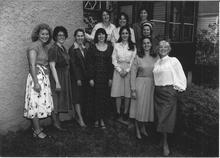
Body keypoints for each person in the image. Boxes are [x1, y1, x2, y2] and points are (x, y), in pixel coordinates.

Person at [153, 40, 187, 156]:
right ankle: (162, 140)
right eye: (160, 46)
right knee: (159, 118)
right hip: (157, 93)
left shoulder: (173, 61)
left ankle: (165, 144)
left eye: (165, 47)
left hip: (168, 93)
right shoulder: (157, 62)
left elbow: (181, 76)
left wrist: (176, 89)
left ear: (169, 49)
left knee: (165, 119)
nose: (162, 48)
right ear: (158, 48)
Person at [24, 23, 54, 139]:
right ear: (38, 34)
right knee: (35, 104)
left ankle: (36, 128)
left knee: (39, 103)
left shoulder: (45, 47)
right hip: (36, 78)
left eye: (47, 34)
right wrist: (36, 82)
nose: (45, 36)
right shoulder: (34, 46)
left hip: (43, 78)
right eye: (42, 34)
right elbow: (31, 65)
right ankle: (37, 131)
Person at [130, 37, 158, 139]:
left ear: (151, 44)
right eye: (144, 43)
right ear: (142, 45)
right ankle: (137, 128)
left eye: (148, 43)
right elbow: (133, 73)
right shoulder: (138, 57)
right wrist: (133, 89)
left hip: (151, 85)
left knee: (147, 108)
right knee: (139, 107)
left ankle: (143, 127)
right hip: (140, 84)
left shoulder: (156, 57)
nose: (146, 45)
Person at [87, 28, 114, 129]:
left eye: (103, 34)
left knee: (104, 99)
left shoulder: (110, 48)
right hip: (95, 77)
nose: (101, 36)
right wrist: (90, 78)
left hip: (106, 78)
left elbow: (111, 64)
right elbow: (89, 64)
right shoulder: (92, 48)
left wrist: (110, 78)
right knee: (95, 98)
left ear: (105, 36)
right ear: (96, 36)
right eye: (99, 34)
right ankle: (96, 119)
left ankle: (102, 119)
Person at [48, 26, 72, 131]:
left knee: (60, 98)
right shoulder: (53, 49)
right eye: (59, 35)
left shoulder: (63, 48)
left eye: (63, 35)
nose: (61, 37)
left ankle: (57, 121)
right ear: (55, 37)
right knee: (56, 99)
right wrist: (57, 82)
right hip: (57, 76)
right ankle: (55, 123)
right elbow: (52, 66)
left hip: (64, 76)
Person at [111, 26, 136, 121]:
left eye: (126, 33)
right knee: (118, 92)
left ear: (129, 34)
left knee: (127, 93)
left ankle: (125, 112)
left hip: (129, 70)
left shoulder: (133, 46)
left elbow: (133, 60)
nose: (124, 35)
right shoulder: (117, 45)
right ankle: (118, 112)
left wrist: (127, 70)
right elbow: (113, 58)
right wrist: (119, 69)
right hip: (118, 70)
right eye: (123, 33)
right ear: (120, 35)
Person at [69, 29, 88, 127]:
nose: (80, 38)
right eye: (78, 36)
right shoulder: (73, 49)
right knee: (77, 98)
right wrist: (78, 78)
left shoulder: (84, 48)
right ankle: (80, 119)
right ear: (75, 37)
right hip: (77, 78)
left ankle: (78, 116)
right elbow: (73, 65)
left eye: (82, 36)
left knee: (81, 97)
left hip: (84, 77)